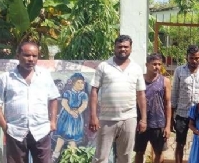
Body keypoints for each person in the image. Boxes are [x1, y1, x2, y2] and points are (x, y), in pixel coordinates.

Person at [0, 42, 60, 163]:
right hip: (16, 132)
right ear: (18, 56)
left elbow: (53, 98)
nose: (31, 59)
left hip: (41, 130)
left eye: (34, 56)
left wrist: (52, 122)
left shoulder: (44, 75)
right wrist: (5, 126)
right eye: (27, 55)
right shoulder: (6, 78)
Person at [89, 35, 147, 163]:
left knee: (125, 157)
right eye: (119, 47)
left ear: (130, 48)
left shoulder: (136, 68)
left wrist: (143, 119)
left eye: (126, 47)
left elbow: (141, 95)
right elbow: (94, 91)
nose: (123, 49)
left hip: (129, 118)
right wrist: (93, 116)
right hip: (106, 119)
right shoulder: (103, 66)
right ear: (114, 48)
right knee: (100, 157)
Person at [170, 45, 199, 163]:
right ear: (187, 57)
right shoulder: (179, 71)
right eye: (191, 58)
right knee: (180, 144)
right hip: (182, 112)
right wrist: (171, 116)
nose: (194, 61)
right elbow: (174, 93)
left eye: (197, 58)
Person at [134, 53, 172, 163]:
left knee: (159, 152)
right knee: (139, 151)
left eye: (159, 64)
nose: (157, 67)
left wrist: (168, 125)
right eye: (154, 64)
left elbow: (168, 103)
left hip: (158, 122)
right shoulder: (139, 79)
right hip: (141, 122)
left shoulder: (165, 81)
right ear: (147, 64)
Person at [53, 73, 89, 161]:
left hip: (76, 118)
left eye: (82, 83)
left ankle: (72, 157)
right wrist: (70, 111)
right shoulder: (68, 93)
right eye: (78, 83)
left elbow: (84, 105)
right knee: (62, 136)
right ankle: (55, 155)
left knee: (73, 139)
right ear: (73, 83)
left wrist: (78, 111)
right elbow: (64, 103)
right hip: (66, 116)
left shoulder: (83, 95)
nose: (81, 85)